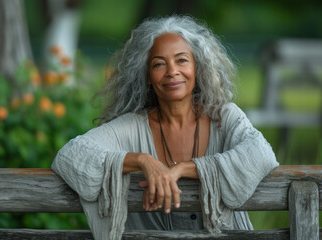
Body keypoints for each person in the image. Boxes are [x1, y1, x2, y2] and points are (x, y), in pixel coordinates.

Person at [51, 15, 279, 239]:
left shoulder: (224, 116)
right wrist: (142, 160)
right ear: (148, 76)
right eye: (159, 64)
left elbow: (261, 155)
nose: (172, 71)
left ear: (197, 67)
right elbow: (69, 157)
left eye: (181, 60)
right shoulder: (132, 126)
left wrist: (186, 168)